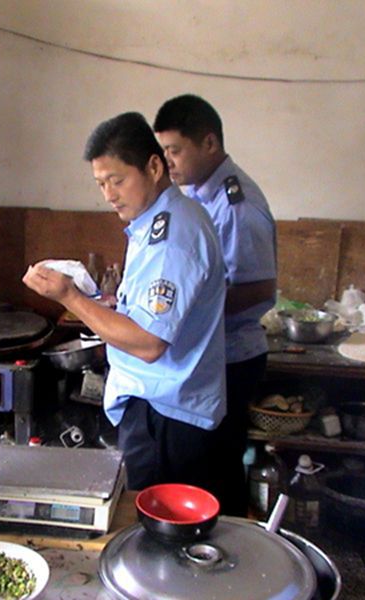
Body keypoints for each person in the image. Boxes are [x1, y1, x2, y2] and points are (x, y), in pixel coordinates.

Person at [23, 112, 229, 504]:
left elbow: (150, 343)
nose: (109, 194)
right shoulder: (156, 222)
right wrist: (109, 304)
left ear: (154, 167)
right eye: (101, 184)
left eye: (117, 180)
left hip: (166, 417)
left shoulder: (172, 236)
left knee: (158, 535)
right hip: (165, 410)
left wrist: (71, 297)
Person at [153, 94, 277, 516]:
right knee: (202, 469)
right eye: (163, 151)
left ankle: (228, 561)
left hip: (232, 358)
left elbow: (259, 286)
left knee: (218, 472)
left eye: (175, 150)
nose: (168, 162)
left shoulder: (234, 204)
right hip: (211, 356)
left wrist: (191, 313)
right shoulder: (196, 197)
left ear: (209, 143)